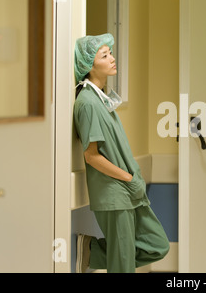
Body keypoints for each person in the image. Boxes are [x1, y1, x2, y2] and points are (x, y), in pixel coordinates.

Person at [73, 33, 170, 273]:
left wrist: (132, 180)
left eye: (111, 53)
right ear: (89, 64)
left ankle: (91, 251)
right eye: (105, 55)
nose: (112, 59)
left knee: (156, 245)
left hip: (127, 191)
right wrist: (127, 178)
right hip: (114, 192)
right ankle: (92, 252)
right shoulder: (88, 103)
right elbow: (91, 156)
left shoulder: (101, 100)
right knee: (123, 265)